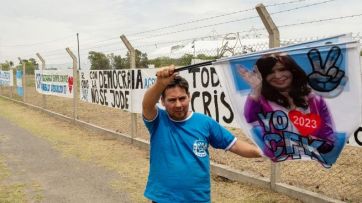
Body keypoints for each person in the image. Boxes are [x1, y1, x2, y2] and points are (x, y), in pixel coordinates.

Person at [142, 65, 262, 203]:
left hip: (197, 199)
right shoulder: (158, 121)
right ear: (162, 101)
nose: (178, 104)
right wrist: (160, 84)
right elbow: (147, 105)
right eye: (171, 100)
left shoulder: (205, 123)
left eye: (182, 98)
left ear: (189, 97)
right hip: (163, 199)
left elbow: (234, 145)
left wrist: (262, 151)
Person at [238, 53, 336, 160]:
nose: (278, 76)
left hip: (309, 163)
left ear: (292, 70)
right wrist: (256, 89)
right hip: (279, 160)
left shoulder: (315, 100)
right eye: (270, 72)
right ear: (264, 77)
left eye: (282, 69)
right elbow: (249, 118)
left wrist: (309, 140)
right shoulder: (263, 101)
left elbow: (329, 142)